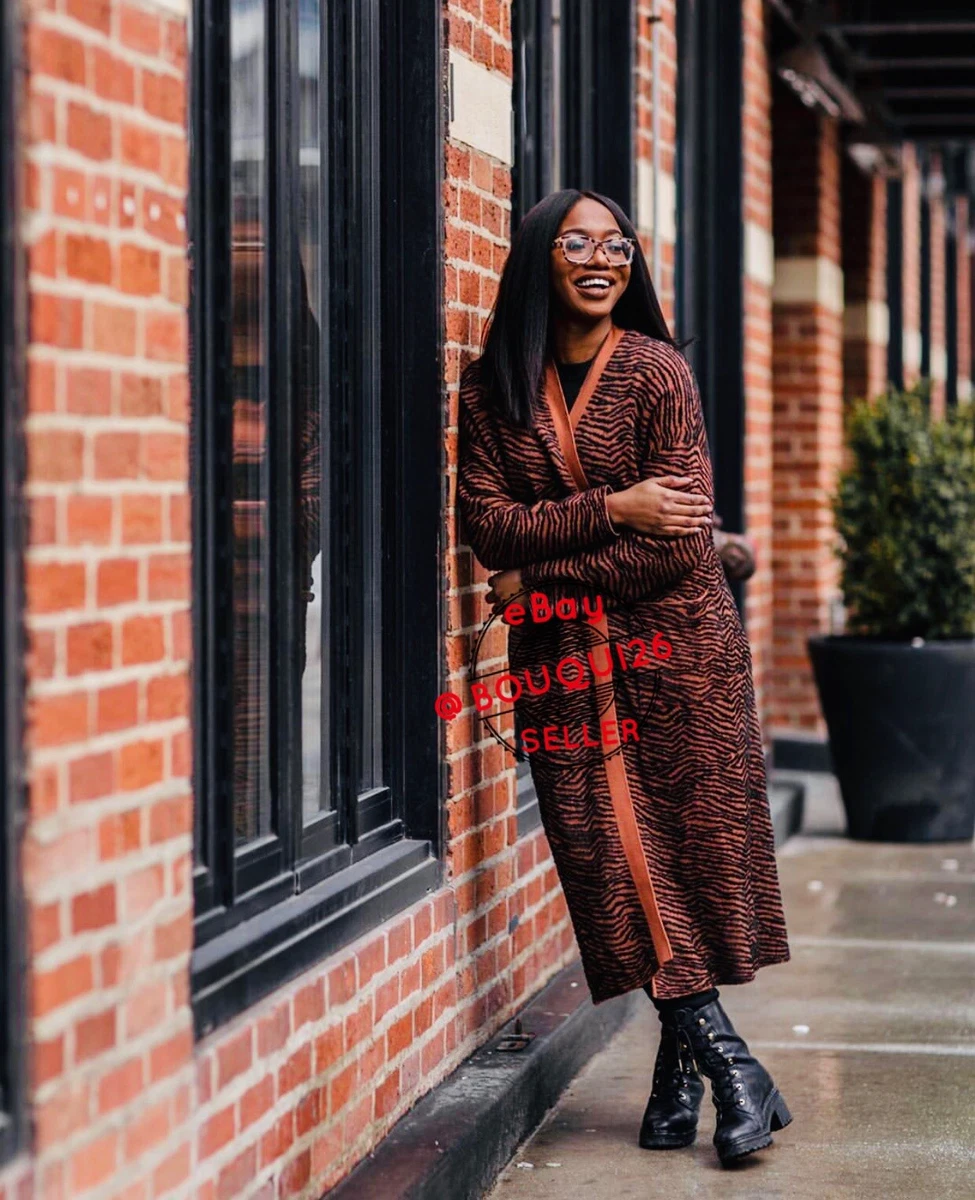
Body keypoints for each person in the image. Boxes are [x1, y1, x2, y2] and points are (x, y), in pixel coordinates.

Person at [456, 188, 792, 1168]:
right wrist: (615, 508)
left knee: (684, 854)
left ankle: (697, 1066)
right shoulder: (488, 394)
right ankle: (733, 1069)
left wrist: (541, 567)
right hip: (562, 665)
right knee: (611, 869)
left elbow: (678, 550)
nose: (600, 259)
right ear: (540, 259)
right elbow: (487, 528)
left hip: (681, 654)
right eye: (577, 243)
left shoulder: (657, 372)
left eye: (616, 244)